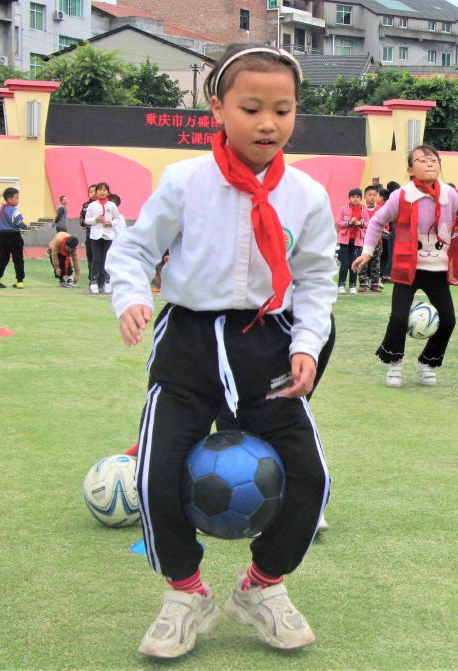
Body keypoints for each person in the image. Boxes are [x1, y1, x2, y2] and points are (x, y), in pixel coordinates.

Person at [105, 44, 335, 659]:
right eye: (252, 107)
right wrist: (129, 296)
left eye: (282, 110)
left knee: (311, 477)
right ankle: (185, 594)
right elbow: (131, 251)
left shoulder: (307, 195)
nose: (268, 123)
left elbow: (316, 279)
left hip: (267, 344)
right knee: (157, 476)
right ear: (218, 109)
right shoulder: (184, 181)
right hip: (187, 343)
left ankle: (263, 587)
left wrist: (308, 343)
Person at [352, 143, 458, 387]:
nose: (430, 162)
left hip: (437, 269)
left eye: (434, 159)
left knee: (449, 320)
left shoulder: (450, 195)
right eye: (422, 159)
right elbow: (377, 221)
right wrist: (367, 252)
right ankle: (395, 363)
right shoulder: (402, 196)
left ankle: (427, 362)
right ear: (410, 170)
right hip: (407, 267)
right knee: (399, 318)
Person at [84, 182, 120, 294]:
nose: (102, 192)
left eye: (104, 190)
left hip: (108, 236)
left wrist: (111, 223)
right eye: (100, 190)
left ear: (108, 192)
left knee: (106, 259)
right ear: (96, 192)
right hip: (95, 236)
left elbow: (117, 218)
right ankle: (94, 282)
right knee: (96, 259)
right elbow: (86, 220)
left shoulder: (111, 205)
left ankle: (107, 282)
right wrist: (96, 219)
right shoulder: (92, 205)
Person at [0, 187, 29, 289]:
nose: (18, 200)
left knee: (2, 259)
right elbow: (19, 223)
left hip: (1, 237)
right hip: (14, 236)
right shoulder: (15, 211)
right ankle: (19, 281)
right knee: (18, 259)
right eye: (16, 198)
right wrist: (25, 226)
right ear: (9, 199)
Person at [335, 187, 365, 295]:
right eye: (353, 197)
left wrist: (359, 223)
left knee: (354, 264)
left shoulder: (363, 209)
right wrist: (349, 223)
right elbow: (338, 222)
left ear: (361, 198)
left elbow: (368, 223)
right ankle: (341, 284)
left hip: (357, 241)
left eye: (357, 197)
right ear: (349, 198)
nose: (355, 199)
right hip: (344, 241)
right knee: (344, 264)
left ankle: (352, 285)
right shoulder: (344, 209)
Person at [356, 184, 384, 292]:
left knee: (376, 263)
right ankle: (363, 283)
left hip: (377, 240)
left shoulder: (381, 209)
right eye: (369, 195)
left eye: (374, 195)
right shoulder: (361, 209)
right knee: (363, 262)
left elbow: (385, 224)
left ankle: (375, 284)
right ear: (364, 196)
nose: (372, 197)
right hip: (363, 239)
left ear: (377, 196)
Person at [79, 185, 96, 288]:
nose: (93, 193)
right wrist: (84, 223)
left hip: (101, 235)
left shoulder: (104, 205)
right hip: (89, 234)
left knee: (99, 258)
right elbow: (81, 218)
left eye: (94, 191)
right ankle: (91, 278)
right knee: (90, 257)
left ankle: (101, 278)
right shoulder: (86, 205)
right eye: (90, 192)